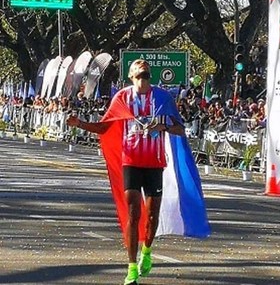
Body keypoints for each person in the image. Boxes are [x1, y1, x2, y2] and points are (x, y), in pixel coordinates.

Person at [66, 59, 210, 284]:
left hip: (154, 163)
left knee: (152, 216)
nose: (143, 80)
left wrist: (163, 127)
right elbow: (104, 127)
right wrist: (80, 124)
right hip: (130, 161)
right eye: (139, 76)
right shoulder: (122, 98)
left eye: (147, 76)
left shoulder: (162, 98)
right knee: (134, 215)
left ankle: (147, 252)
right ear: (131, 78)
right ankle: (131, 267)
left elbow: (180, 129)